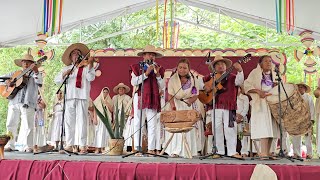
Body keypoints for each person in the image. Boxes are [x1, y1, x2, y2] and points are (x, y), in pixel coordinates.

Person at [54, 43, 95, 155]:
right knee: (69, 121)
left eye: (78, 53)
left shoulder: (86, 67)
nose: (76, 55)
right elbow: (56, 80)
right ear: (71, 57)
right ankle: (69, 144)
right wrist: (65, 73)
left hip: (82, 96)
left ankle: (83, 146)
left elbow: (91, 77)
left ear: (82, 56)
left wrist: (90, 64)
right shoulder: (67, 68)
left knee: (82, 120)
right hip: (70, 97)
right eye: (74, 54)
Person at [3, 53, 43, 152]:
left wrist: (36, 71)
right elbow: (1, 79)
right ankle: (9, 145)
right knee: (10, 124)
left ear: (32, 63)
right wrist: (7, 82)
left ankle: (28, 146)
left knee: (28, 125)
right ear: (21, 63)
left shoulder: (35, 74)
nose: (25, 63)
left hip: (27, 102)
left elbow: (40, 83)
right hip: (14, 101)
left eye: (28, 62)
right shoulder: (15, 73)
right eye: (24, 61)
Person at [130, 45, 165, 156]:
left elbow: (163, 85)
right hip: (140, 96)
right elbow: (134, 82)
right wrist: (145, 74)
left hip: (153, 98)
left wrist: (158, 75)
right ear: (144, 56)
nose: (152, 56)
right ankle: (138, 148)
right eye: (149, 54)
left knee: (152, 124)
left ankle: (151, 148)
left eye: (153, 54)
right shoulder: (136, 67)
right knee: (138, 122)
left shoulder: (159, 68)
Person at [166, 58, 204, 158]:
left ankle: (189, 151)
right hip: (177, 105)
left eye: (185, 68)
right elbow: (170, 95)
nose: (182, 70)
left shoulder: (193, 79)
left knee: (188, 128)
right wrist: (173, 107)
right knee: (178, 127)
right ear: (177, 68)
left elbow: (196, 94)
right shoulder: (173, 79)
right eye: (180, 67)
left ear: (188, 69)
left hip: (189, 105)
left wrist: (189, 102)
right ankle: (176, 150)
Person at [243, 55, 279, 160]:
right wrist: (258, 91)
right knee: (264, 127)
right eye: (266, 61)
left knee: (272, 127)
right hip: (261, 103)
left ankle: (268, 152)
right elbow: (247, 86)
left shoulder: (275, 74)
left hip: (273, 103)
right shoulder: (255, 73)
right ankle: (262, 153)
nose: (269, 63)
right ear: (260, 64)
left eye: (270, 61)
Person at [291, 82, 314, 159]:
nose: (300, 88)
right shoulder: (294, 97)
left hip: (306, 120)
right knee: (296, 137)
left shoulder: (309, 97)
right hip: (297, 119)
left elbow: (312, 109)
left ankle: (309, 154)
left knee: (308, 137)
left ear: (304, 89)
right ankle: (297, 153)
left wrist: (312, 120)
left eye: (301, 87)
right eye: (298, 87)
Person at [93, 87, 113, 154]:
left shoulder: (109, 100)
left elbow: (112, 110)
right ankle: (97, 148)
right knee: (98, 133)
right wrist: (95, 118)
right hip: (99, 119)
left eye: (107, 92)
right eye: (104, 92)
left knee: (105, 134)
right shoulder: (98, 100)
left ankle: (103, 148)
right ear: (102, 92)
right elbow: (95, 109)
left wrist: (107, 103)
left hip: (106, 120)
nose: (105, 93)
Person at [236, 86, 250, 157]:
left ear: (240, 89)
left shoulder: (244, 97)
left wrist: (240, 116)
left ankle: (244, 151)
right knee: (233, 136)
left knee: (242, 136)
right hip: (233, 119)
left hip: (242, 119)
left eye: (238, 88)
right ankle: (233, 151)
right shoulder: (232, 97)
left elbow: (246, 108)